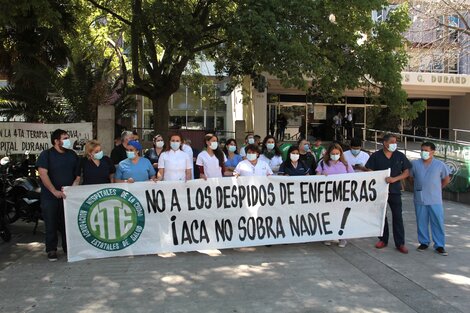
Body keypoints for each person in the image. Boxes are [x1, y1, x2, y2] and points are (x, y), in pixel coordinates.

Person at [365, 133, 412, 254]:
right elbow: (369, 170)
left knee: (398, 217)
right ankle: (383, 239)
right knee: (382, 216)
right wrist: (378, 177)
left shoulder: (400, 156)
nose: (394, 144)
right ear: (385, 143)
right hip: (380, 191)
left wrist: (395, 179)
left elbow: (406, 172)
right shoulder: (376, 156)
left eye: (395, 142)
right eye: (391, 142)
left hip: (395, 191)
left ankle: (400, 243)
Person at [37, 129, 79, 261]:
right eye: (65, 138)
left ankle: (68, 248)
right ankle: (51, 249)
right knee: (51, 223)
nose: (68, 140)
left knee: (67, 223)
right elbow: (43, 174)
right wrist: (54, 191)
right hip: (50, 197)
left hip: (67, 197)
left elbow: (77, 174)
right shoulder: (46, 155)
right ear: (56, 141)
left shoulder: (72, 154)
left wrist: (74, 186)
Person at [410, 142, 450, 256]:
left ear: (433, 152)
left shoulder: (439, 165)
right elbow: (411, 178)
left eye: (426, 150)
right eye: (422, 150)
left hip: (435, 198)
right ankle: (424, 242)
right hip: (420, 197)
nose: (424, 152)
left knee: (437, 221)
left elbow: (446, 179)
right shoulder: (415, 164)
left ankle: (439, 245)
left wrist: (438, 188)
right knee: (421, 221)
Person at [316, 142, 354, 248]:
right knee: (329, 215)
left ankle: (342, 237)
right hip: (327, 195)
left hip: (343, 194)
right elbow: (316, 177)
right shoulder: (323, 163)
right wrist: (322, 175)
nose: (335, 155)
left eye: (337, 153)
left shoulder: (346, 164)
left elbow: (353, 178)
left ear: (340, 153)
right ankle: (329, 235)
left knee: (342, 216)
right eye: (333, 153)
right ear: (329, 153)